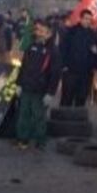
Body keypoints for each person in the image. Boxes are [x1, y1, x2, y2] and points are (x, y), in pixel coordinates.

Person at [15, 18, 62, 150]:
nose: (39, 33)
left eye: (42, 31)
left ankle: (40, 141)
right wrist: (18, 84)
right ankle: (22, 139)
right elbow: (23, 67)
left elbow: (55, 74)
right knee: (23, 115)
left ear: (49, 33)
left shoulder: (53, 51)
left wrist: (50, 93)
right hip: (26, 87)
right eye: (37, 30)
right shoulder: (31, 46)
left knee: (38, 117)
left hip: (41, 90)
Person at [59, 9, 97, 107]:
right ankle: (63, 120)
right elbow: (63, 49)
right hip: (70, 71)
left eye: (89, 19)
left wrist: (96, 56)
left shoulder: (93, 35)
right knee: (66, 99)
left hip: (85, 74)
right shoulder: (71, 32)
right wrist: (64, 66)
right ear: (81, 19)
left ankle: (78, 121)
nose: (87, 21)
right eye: (86, 19)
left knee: (81, 100)